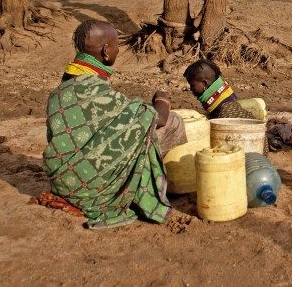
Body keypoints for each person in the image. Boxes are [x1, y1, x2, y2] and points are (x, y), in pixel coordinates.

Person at [42, 19, 187, 229]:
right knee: (172, 122)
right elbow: (159, 118)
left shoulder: (59, 92)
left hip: (64, 184)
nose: (119, 50)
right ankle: (145, 183)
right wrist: (162, 99)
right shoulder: (98, 92)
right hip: (95, 190)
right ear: (106, 51)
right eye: (117, 45)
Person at [183, 59, 257, 120]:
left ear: (204, 84)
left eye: (192, 85)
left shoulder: (224, 115)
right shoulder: (227, 104)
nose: (191, 89)